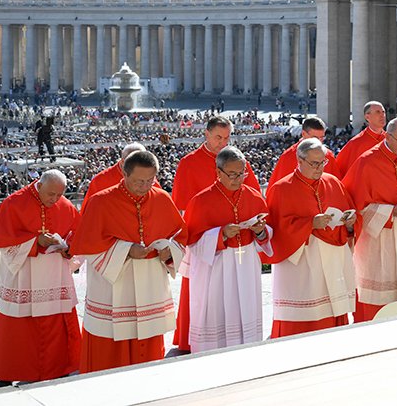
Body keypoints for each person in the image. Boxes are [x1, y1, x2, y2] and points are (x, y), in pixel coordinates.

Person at [71, 150, 186, 373]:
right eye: (138, 181)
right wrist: (126, 250)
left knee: (149, 356)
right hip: (114, 286)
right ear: (124, 174)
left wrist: (169, 252)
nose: (144, 186)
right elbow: (88, 246)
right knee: (110, 351)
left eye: (150, 180)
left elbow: (180, 235)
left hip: (150, 282)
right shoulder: (100, 201)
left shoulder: (162, 199)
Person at [171, 116, 259, 353]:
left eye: (227, 137)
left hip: (239, 240)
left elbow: (253, 198)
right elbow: (181, 207)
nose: (223, 142)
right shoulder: (189, 163)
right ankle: (191, 338)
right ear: (207, 135)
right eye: (218, 137)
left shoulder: (240, 162)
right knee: (200, 291)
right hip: (204, 236)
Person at [0, 170, 80, 384]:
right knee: (17, 327)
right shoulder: (14, 203)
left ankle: (59, 367)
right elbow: (4, 244)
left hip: (55, 276)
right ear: (39, 185)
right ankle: (9, 371)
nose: (54, 200)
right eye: (50, 194)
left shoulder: (65, 205)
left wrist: (68, 249)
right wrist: (36, 242)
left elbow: (78, 237)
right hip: (22, 276)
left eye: (59, 194)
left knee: (56, 322)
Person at [262, 139, 357, 338]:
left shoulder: (333, 183)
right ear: (300, 160)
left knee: (331, 318)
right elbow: (276, 231)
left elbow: (347, 220)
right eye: (315, 163)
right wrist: (310, 224)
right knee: (302, 324)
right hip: (301, 264)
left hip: (332, 260)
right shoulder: (281, 189)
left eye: (323, 162)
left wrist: (349, 223)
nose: (320, 168)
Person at [184, 147, 272, 352]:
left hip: (246, 263)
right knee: (216, 311)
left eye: (242, 173)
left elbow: (266, 234)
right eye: (232, 174)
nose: (237, 179)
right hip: (216, 268)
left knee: (246, 313)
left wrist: (260, 231)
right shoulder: (201, 200)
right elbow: (192, 242)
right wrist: (221, 234)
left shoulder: (253, 196)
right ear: (218, 172)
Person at [343, 118, 397, 322]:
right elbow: (357, 206)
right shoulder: (366, 161)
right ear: (388, 137)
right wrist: (392, 212)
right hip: (379, 239)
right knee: (379, 301)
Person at [269, 116, 337, 186]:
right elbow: (278, 188)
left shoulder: (328, 155)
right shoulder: (288, 156)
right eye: (315, 137)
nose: (319, 141)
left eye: (322, 137)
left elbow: (335, 186)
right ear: (303, 134)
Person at [334, 101, 387, 178]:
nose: (382, 115)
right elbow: (342, 171)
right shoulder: (355, 143)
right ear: (367, 117)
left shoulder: (391, 140)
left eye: (383, 112)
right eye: (378, 112)